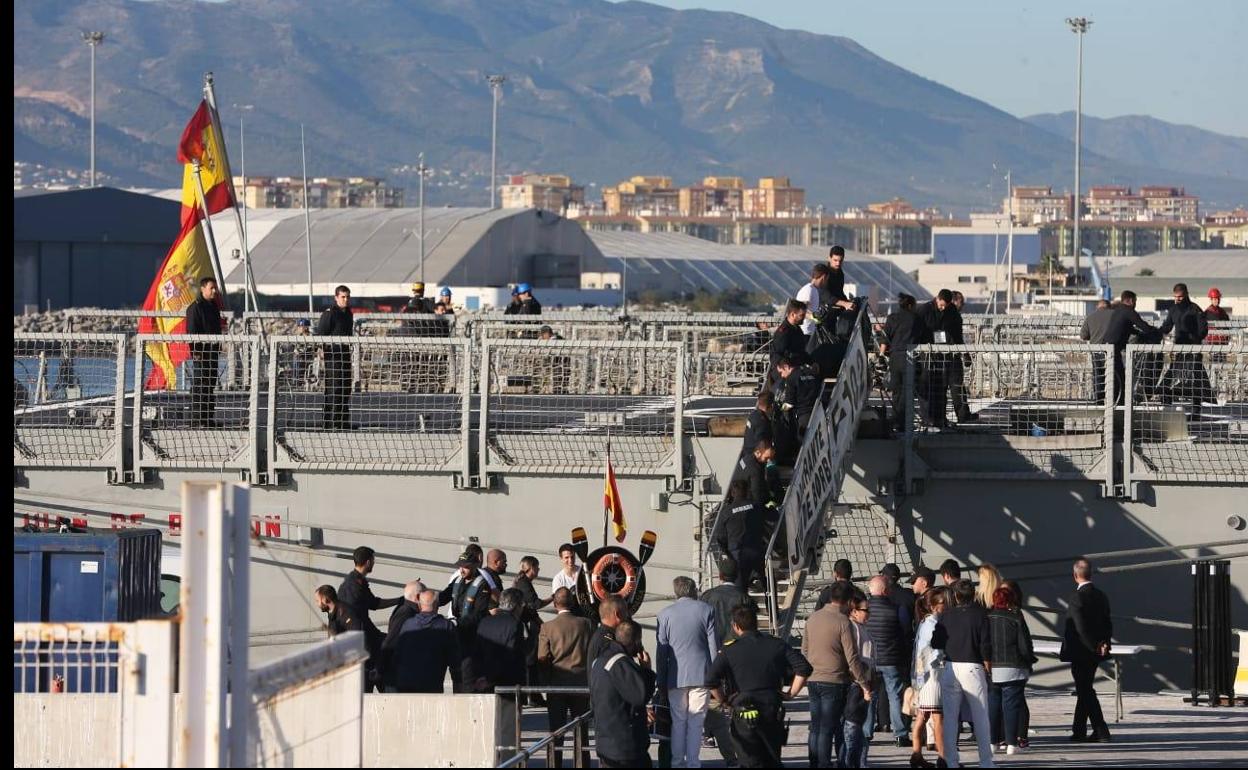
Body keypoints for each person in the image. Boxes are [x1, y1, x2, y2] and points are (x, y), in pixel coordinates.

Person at [706, 606, 812, 769]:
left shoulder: (730, 649)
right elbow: (804, 668)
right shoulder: (776, 644)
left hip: (743, 710)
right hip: (771, 708)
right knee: (772, 758)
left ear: (735, 626)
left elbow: (711, 680)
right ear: (756, 623)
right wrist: (791, 693)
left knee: (749, 760)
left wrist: (725, 701)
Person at [802, 581, 872, 769]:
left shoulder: (812, 618)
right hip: (834, 680)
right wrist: (864, 683)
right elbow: (852, 657)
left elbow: (805, 651)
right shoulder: (843, 622)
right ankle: (824, 763)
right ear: (849, 601)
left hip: (814, 678)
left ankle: (814, 762)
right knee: (827, 728)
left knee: (816, 726)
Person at [655, 577, 719, 769]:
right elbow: (713, 648)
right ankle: (693, 763)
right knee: (696, 723)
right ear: (693, 590)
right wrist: (715, 676)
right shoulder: (707, 610)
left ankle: (677, 763)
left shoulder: (664, 614)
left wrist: (661, 678)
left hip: (675, 676)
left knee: (678, 722)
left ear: (676, 591)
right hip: (701, 674)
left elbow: (662, 651)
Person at [930, 580, 995, 769]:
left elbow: (936, 642)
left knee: (950, 717)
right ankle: (986, 761)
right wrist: (987, 664)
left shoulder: (946, 615)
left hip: (950, 666)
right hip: (972, 666)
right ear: (973, 594)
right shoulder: (981, 615)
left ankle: (951, 761)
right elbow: (985, 645)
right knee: (980, 715)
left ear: (956, 596)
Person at [698, 557, 754, 768]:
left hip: (712, 656)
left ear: (719, 575)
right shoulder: (743, 597)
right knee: (736, 700)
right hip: (737, 654)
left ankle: (712, 732)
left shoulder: (707, 596)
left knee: (714, 701)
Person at [538, 587, 594, 768]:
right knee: (581, 730)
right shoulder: (586, 624)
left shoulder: (547, 627)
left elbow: (542, 657)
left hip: (557, 684)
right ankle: (582, 765)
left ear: (555, 604)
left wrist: (545, 680)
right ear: (572, 603)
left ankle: (555, 764)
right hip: (581, 684)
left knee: (556, 731)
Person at [1059, 558, 1113, 743]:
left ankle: (1101, 729)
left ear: (1075, 576)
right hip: (1096, 652)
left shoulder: (1076, 598)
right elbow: (1107, 623)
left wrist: (1092, 646)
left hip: (1081, 652)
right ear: (1091, 574)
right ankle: (1079, 730)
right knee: (1085, 689)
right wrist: (1103, 644)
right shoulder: (1101, 595)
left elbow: (1079, 628)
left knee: (1085, 691)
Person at [591, 620, 656, 768]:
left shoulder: (601, 660)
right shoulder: (620, 663)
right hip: (624, 746)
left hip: (606, 742)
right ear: (635, 641)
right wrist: (647, 670)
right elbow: (640, 695)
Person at [337, 546, 404, 691]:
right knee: (367, 684)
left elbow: (372, 604)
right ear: (368, 562)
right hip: (361, 644)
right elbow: (359, 616)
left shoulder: (356, 582)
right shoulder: (353, 586)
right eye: (373, 560)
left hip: (364, 640)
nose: (374, 563)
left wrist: (399, 600)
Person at [987, 585, 1034, 756]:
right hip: (1014, 668)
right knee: (1012, 707)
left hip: (992, 668)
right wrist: (1029, 661)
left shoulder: (987, 617)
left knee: (993, 706)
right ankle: (1012, 744)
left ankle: (993, 742)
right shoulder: (1016, 618)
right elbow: (1025, 645)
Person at [866, 575, 912, 747]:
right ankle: (900, 734)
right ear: (885, 591)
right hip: (891, 659)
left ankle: (866, 732)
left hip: (870, 660)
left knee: (870, 696)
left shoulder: (864, 610)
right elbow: (906, 632)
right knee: (894, 696)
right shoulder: (897, 609)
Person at [440, 551, 494, 689]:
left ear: (476, 565)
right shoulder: (457, 581)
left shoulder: (482, 585)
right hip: (457, 635)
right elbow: (442, 597)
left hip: (472, 638)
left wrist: (458, 623)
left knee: (468, 676)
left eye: (466, 566)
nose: (462, 570)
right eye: (460, 566)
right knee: (456, 675)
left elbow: (479, 614)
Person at [391, 589, 461, 693]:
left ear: (419, 605)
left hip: (406, 683)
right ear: (437, 605)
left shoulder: (408, 624)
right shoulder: (446, 626)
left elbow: (397, 653)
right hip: (432, 685)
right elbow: (454, 660)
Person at [1158, 282, 1214, 412]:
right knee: (1171, 376)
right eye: (1175, 297)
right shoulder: (1173, 310)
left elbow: (1203, 330)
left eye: (1180, 297)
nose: (1177, 299)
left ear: (1186, 295)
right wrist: (1154, 333)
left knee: (1195, 379)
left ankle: (1196, 409)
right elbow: (1167, 327)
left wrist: (1195, 339)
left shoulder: (1195, 309)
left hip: (1194, 349)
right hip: (1179, 349)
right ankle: (1166, 405)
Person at [881, 293, 931, 432]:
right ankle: (903, 422)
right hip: (910, 358)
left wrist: (880, 356)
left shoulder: (892, 318)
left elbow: (885, 340)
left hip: (894, 357)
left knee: (896, 391)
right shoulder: (917, 319)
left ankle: (897, 421)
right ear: (910, 305)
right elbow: (926, 338)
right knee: (907, 391)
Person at [910, 587, 948, 769]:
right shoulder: (933, 625)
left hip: (922, 675)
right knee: (937, 718)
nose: (946, 606)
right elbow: (934, 652)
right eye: (943, 603)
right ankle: (943, 757)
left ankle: (916, 753)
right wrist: (944, 659)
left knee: (921, 716)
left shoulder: (924, 623)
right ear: (933, 606)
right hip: (932, 676)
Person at [841, 590, 877, 768]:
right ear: (854, 611)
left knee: (859, 726)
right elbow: (853, 658)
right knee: (853, 726)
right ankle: (850, 762)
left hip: (865, 680)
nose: (869, 614)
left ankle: (859, 762)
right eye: (865, 610)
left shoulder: (862, 628)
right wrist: (863, 683)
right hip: (857, 683)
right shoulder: (853, 628)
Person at [1104, 290, 1158, 406]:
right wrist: (1155, 332)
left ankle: (1116, 402)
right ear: (1131, 301)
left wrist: (1138, 333)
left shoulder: (1118, 310)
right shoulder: (1129, 311)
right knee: (1119, 378)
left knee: (1115, 376)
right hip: (1113, 348)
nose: (1135, 304)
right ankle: (1120, 404)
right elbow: (1143, 326)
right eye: (1135, 301)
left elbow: (1128, 327)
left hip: (1108, 347)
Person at [470, 588, 528, 693]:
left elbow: (477, 652)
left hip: (484, 680)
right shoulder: (515, 624)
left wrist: (481, 677)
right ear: (516, 605)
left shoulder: (485, 621)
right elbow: (512, 655)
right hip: (507, 682)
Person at [185, 276, 223, 428]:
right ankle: (196, 419)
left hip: (212, 353)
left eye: (215, 288)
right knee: (200, 386)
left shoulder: (213, 306)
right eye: (211, 288)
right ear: (203, 289)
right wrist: (196, 351)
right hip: (201, 354)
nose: (214, 291)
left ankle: (207, 419)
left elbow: (216, 329)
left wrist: (218, 346)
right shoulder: (196, 307)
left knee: (210, 385)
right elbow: (192, 332)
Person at [717, 479, 768, 592]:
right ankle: (771, 605)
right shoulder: (756, 506)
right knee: (767, 585)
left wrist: (725, 552)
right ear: (747, 491)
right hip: (756, 551)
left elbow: (720, 536)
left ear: (732, 493)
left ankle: (744, 606)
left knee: (740, 588)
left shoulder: (726, 511)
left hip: (737, 554)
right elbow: (773, 517)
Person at [317, 284, 354, 430]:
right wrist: (322, 350)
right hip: (333, 356)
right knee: (334, 388)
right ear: (336, 298)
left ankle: (343, 422)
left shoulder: (349, 314)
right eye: (343, 297)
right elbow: (321, 333)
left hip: (344, 354)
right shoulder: (330, 313)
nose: (346, 300)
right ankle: (330, 422)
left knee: (345, 388)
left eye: (347, 297)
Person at [379, 579, 426, 691]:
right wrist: (380, 668)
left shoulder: (406, 610)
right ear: (418, 597)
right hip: (398, 677)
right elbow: (390, 642)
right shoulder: (406, 613)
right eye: (424, 595)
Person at [513, 556, 548, 704]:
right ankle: (531, 695)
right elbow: (535, 604)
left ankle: (531, 695)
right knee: (530, 662)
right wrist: (553, 597)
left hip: (528, 625)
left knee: (530, 661)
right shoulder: (524, 583)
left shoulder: (523, 583)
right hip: (525, 628)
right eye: (537, 567)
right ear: (531, 568)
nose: (539, 570)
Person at [773, 354, 821, 447]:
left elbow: (789, 404)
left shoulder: (791, 379)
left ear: (786, 367)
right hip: (817, 410)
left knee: (803, 441)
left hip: (803, 414)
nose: (782, 376)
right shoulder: (811, 372)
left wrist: (780, 410)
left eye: (781, 372)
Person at [730, 438, 782, 511]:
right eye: (766, 458)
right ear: (758, 453)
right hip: (749, 504)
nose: (769, 461)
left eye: (771, 458)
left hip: (736, 498)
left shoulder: (745, 459)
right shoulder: (756, 470)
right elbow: (756, 493)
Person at [1080, 300, 1116, 404]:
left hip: (1096, 351)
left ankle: (1099, 401)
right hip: (1113, 350)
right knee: (1113, 376)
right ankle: (1113, 400)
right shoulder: (1114, 315)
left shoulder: (1090, 317)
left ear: (1097, 307)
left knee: (1098, 375)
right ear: (1109, 306)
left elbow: (1083, 336)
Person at [769, 300, 810, 383]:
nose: (804, 317)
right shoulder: (784, 332)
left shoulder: (796, 329)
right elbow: (775, 354)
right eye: (802, 315)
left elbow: (800, 351)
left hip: (796, 369)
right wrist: (784, 365)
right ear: (792, 314)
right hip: (784, 375)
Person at [588, 594, 631, 664]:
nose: (627, 616)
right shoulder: (608, 644)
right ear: (617, 614)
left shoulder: (600, 636)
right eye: (625, 612)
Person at [796, 264, 831, 336]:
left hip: (810, 332)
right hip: (805, 332)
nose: (827, 282)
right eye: (827, 279)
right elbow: (800, 311)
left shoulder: (814, 290)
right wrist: (814, 317)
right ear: (824, 277)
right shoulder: (809, 290)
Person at [741, 390, 774, 459]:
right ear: (771, 406)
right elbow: (760, 441)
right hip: (755, 459)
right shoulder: (762, 422)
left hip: (746, 454)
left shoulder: (753, 415)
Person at [823, 246, 856, 313]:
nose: (838, 263)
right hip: (826, 309)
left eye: (840, 261)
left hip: (836, 307)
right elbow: (826, 296)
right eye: (835, 260)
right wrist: (844, 303)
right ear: (829, 258)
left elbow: (839, 293)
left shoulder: (840, 273)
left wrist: (848, 302)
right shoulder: (824, 274)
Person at [552, 543, 584, 610]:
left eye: (572, 557)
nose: (570, 560)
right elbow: (559, 603)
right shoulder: (558, 579)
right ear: (561, 559)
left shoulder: (583, 572)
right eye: (567, 557)